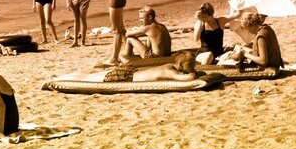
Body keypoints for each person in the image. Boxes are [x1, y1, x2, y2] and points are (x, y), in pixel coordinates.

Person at [47, 51, 198, 83]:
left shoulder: (170, 65)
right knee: (88, 79)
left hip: (129, 72)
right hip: (126, 76)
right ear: (180, 65)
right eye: (190, 64)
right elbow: (189, 78)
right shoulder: (170, 71)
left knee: (89, 76)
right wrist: (194, 73)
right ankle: (56, 79)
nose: (193, 67)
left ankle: (58, 77)